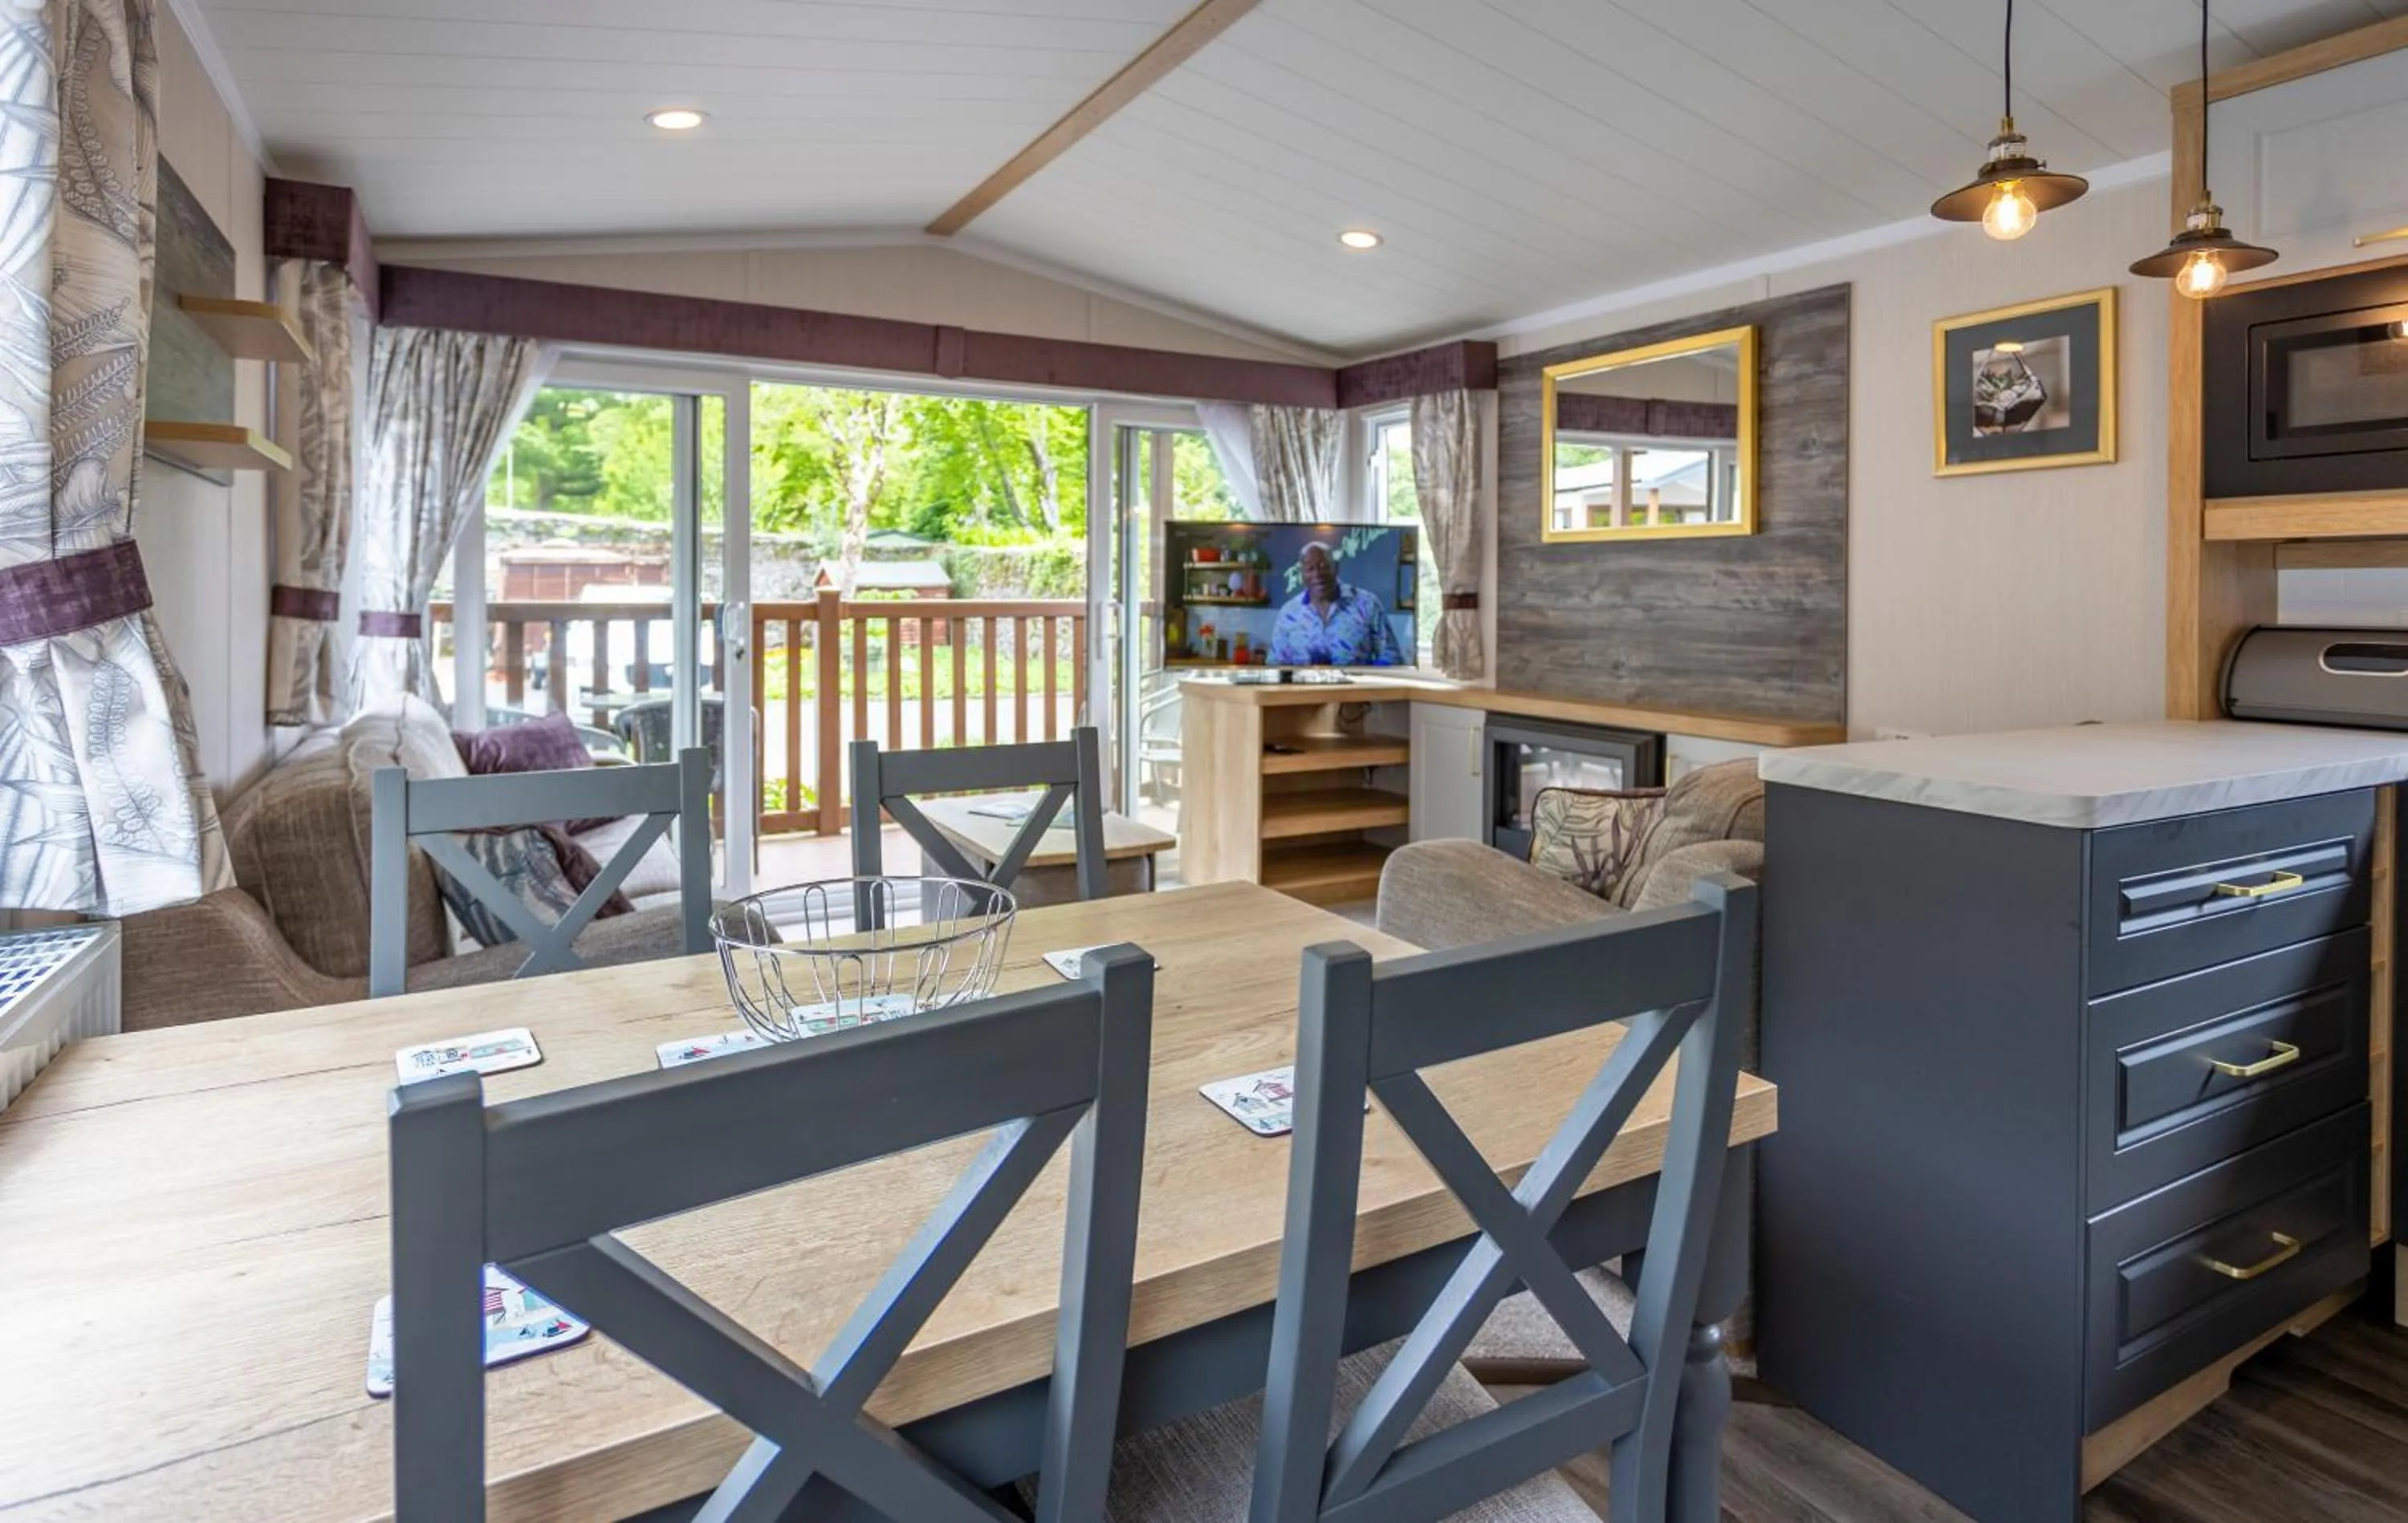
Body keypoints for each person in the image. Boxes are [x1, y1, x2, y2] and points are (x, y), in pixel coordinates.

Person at [1267, 542, 1404, 668]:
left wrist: (1366, 676)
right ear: (1302, 574)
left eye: (1324, 567)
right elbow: (1275, 664)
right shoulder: (1289, 612)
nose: (1317, 574)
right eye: (1310, 569)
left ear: (1336, 568)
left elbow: (1392, 656)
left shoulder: (1367, 604)